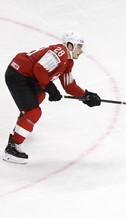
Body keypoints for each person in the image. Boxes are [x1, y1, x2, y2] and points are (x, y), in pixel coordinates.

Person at [4, 31, 102, 164]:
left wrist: (86, 96)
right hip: (18, 74)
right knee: (34, 112)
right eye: (79, 46)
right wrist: (49, 87)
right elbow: (39, 69)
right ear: (70, 45)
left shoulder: (68, 62)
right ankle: (11, 148)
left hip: (29, 78)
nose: (81, 50)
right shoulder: (60, 51)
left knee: (39, 97)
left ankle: (22, 126)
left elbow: (69, 85)